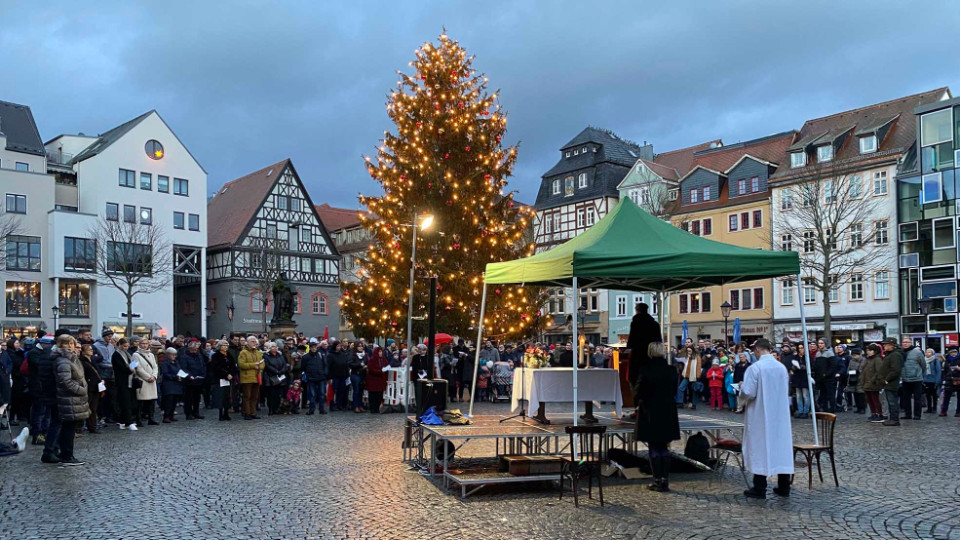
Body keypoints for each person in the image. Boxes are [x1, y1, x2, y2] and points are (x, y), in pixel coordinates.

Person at [740, 339, 794, 499]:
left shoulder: (755, 368)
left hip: (761, 414)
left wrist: (741, 389)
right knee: (781, 447)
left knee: (760, 446)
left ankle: (759, 487)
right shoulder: (781, 367)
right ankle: (784, 486)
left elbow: (749, 392)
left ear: (757, 350)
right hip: (779, 414)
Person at [634, 342, 680, 493]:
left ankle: (657, 480)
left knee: (654, 446)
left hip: (650, 410)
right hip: (667, 410)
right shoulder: (671, 370)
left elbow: (639, 391)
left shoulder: (646, 370)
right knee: (664, 446)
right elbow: (674, 389)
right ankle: (664, 480)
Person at [52, 334, 89, 466]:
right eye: (66, 343)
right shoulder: (63, 360)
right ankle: (67, 456)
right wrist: (81, 390)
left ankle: (67, 454)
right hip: (68, 398)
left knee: (70, 427)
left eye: (71, 343)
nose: (69, 346)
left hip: (73, 398)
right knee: (68, 428)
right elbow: (65, 381)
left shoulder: (72, 359)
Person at [626, 302, 661, 395]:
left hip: (638, 357)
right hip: (652, 357)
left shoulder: (635, 323)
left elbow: (630, 342)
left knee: (635, 380)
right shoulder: (655, 324)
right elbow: (659, 342)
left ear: (637, 310)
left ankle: (638, 404)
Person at [133, 338, 160, 426]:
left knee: (151, 401)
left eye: (146, 343)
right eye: (142, 343)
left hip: (152, 380)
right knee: (141, 402)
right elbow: (138, 368)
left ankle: (151, 418)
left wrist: (154, 376)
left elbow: (155, 366)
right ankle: (138, 419)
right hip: (143, 381)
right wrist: (148, 377)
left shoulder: (151, 355)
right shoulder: (136, 355)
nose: (144, 345)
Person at [178, 339, 207, 420]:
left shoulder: (199, 356)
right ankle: (188, 413)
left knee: (197, 398)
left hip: (198, 380)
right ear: (189, 349)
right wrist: (189, 376)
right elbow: (183, 368)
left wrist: (203, 374)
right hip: (189, 381)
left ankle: (196, 412)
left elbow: (203, 366)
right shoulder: (184, 357)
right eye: (193, 349)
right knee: (188, 399)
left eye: (196, 349)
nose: (195, 351)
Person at [878, 338, 904, 426]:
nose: (884, 346)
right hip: (888, 382)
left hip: (891, 382)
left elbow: (895, 370)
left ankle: (894, 419)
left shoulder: (895, 355)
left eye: (886, 344)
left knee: (892, 401)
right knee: (890, 401)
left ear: (892, 345)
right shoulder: (890, 354)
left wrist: (886, 380)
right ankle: (892, 418)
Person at [78, 344, 103, 434]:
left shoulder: (92, 360)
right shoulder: (82, 361)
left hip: (96, 386)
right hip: (89, 386)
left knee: (93, 408)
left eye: (91, 349)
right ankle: (79, 427)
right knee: (86, 407)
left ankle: (92, 426)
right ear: (83, 351)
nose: (91, 351)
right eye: (89, 350)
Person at [900, 337, 926, 420]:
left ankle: (917, 415)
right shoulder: (901, 352)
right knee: (906, 398)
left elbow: (923, 365)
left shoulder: (917, 352)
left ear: (911, 343)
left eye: (907, 342)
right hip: (905, 379)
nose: (905, 343)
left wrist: (921, 375)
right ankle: (908, 415)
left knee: (917, 398)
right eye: (904, 342)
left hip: (916, 379)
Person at [238, 337, 264, 420]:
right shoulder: (243, 352)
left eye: (255, 341)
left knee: (255, 397)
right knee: (247, 396)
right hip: (247, 378)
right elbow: (241, 364)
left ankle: (253, 413)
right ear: (247, 343)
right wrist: (253, 365)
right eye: (252, 341)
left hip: (256, 377)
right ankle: (247, 413)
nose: (254, 343)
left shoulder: (258, 353)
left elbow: (262, 364)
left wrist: (259, 367)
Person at [300, 339, 328, 415]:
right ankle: (311, 410)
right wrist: (308, 374)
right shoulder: (305, 357)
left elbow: (325, 365)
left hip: (321, 377)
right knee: (312, 395)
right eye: (312, 347)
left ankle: (321, 409)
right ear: (310, 347)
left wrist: (324, 373)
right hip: (311, 378)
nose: (313, 348)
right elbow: (303, 367)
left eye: (315, 347)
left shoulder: (321, 355)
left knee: (322, 395)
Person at [208, 340, 234, 421]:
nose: (226, 347)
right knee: (220, 396)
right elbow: (216, 368)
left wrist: (231, 374)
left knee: (227, 396)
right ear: (220, 346)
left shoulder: (229, 355)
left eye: (227, 345)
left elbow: (233, 365)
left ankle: (226, 413)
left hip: (228, 379)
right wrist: (226, 374)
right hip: (219, 378)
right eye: (224, 345)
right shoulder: (216, 356)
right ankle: (220, 414)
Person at [263, 342, 287, 415]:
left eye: (276, 346)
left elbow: (284, 364)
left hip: (280, 376)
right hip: (271, 377)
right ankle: (270, 409)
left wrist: (282, 371)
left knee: (278, 394)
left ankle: (276, 408)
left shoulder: (280, 355)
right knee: (271, 394)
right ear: (270, 348)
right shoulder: (266, 355)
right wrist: (276, 371)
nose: (275, 348)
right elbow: (267, 365)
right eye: (273, 346)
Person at [812, 340, 837, 413]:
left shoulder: (829, 353)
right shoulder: (818, 354)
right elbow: (817, 366)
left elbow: (832, 366)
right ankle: (825, 408)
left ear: (825, 344)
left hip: (828, 378)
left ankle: (832, 409)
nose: (820, 345)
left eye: (822, 343)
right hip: (820, 378)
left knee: (830, 394)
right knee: (823, 395)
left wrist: (826, 374)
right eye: (819, 343)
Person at [861, 344, 884, 421]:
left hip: (873, 383)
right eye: (868, 350)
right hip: (866, 383)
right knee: (869, 400)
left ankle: (879, 414)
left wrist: (874, 380)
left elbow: (879, 371)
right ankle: (873, 413)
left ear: (875, 351)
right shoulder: (867, 359)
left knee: (875, 400)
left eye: (870, 350)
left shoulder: (877, 359)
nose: (868, 352)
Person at [160, 348, 184, 423]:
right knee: (169, 401)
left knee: (174, 401)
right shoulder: (165, 362)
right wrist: (175, 377)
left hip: (176, 383)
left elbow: (179, 370)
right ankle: (166, 416)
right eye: (173, 355)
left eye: (175, 355)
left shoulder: (176, 362)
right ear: (168, 354)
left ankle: (171, 415)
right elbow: (165, 373)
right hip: (169, 384)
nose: (175, 356)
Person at [327, 339, 349, 412]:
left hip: (342, 376)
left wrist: (347, 375)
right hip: (334, 376)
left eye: (340, 346)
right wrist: (329, 377)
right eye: (338, 346)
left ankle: (339, 405)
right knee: (333, 391)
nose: (339, 347)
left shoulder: (342, 354)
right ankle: (332, 405)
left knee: (341, 391)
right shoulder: (330, 355)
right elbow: (328, 367)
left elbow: (345, 364)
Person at [843, 348, 866, 414]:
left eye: (855, 355)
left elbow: (861, 369)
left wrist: (856, 372)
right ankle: (858, 407)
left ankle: (862, 408)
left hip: (860, 379)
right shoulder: (851, 361)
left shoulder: (863, 360)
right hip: (853, 379)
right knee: (855, 394)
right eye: (853, 355)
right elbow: (848, 369)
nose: (854, 356)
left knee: (861, 394)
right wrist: (850, 373)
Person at [366, 346, 389, 414]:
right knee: (373, 395)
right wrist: (381, 371)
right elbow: (371, 369)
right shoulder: (372, 360)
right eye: (379, 351)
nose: (380, 353)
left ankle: (377, 408)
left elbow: (386, 366)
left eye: (381, 351)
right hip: (373, 380)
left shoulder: (383, 359)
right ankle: (372, 409)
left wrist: (386, 369)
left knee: (379, 395)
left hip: (380, 380)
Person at [348, 343, 367, 413]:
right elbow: (350, 364)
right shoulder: (353, 355)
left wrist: (365, 366)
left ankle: (360, 405)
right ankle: (355, 406)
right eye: (359, 346)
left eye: (362, 346)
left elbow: (366, 362)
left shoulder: (364, 355)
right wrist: (359, 364)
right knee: (356, 391)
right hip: (355, 374)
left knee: (361, 391)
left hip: (362, 375)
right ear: (356, 347)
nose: (360, 347)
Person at [922, 348, 942, 414]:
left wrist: (937, 381)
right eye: (926, 352)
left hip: (933, 380)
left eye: (929, 352)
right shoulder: (923, 360)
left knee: (934, 395)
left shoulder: (935, 361)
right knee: (927, 395)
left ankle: (934, 408)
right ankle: (929, 408)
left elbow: (938, 371)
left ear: (932, 353)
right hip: (926, 380)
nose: (927, 353)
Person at [941, 348, 960, 417]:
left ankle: (958, 412)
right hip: (949, 380)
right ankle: (944, 411)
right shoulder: (946, 360)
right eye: (951, 352)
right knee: (946, 397)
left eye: (954, 352)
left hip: (958, 379)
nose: (953, 353)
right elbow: (944, 371)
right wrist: (944, 379)